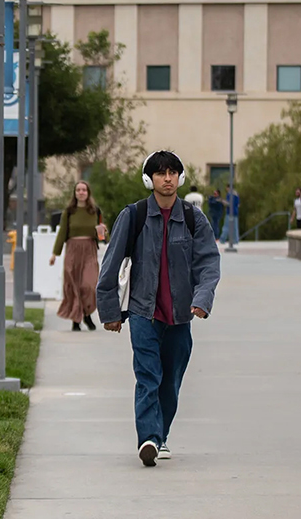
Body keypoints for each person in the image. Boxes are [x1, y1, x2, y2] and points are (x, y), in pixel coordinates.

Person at [96, 151, 221, 467]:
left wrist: (202, 299)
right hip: (143, 313)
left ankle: (160, 435)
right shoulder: (134, 215)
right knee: (148, 376)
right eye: (161, 173)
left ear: (180, 177)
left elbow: (208, 263)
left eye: (172, 173)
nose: (167, 178)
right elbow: (110, 265)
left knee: (170, 382)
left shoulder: (193, 218)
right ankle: (148, 439)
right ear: (148, 179)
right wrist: (110, 312)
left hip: (180, 316)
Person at [50, 180, 107, 331]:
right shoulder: (69, 212)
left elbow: (102, 235)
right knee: (73, 285)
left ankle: (87, 313)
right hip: (72, 250)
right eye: (78, 190)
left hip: (89, 250)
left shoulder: (95, 211)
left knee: (88, 285)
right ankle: (76, 320)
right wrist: (55, 254)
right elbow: (62, 233)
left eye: (84, 190)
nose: (81, 192)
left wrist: (103, 233)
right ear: (75, 193)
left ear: (88, 193)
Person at [221, 187, 240, 251]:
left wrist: (223, 202)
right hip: (235, 212)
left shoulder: (229, 194)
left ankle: (222, 239)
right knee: (235, 227)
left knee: (226, 226)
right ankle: (236, 240)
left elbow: (229, 203)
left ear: (229, 188)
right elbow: (238, 204)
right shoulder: (236, 194)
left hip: (229, 212)